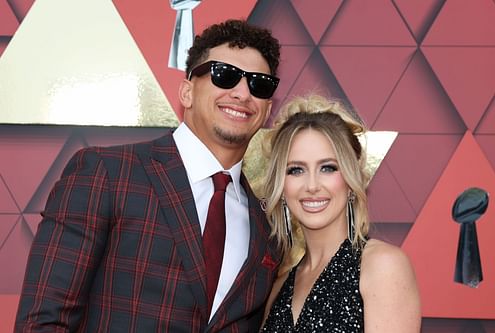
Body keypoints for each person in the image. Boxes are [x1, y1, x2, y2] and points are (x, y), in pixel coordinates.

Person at [15, 19, 282, 332]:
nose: (242, 93)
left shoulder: (267, 227)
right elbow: (43, 320)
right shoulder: (108, 173)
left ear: (267, 109)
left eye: (259, 84)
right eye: (224, 75)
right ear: (187, 92)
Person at [259, 95, 421, 332]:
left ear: (350, 178)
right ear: (281, 188)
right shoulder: (278, 287)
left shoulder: (382, 266)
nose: (312, 185)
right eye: (296, 170)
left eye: (328, 168)